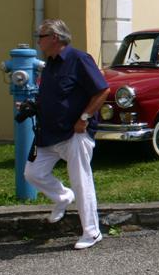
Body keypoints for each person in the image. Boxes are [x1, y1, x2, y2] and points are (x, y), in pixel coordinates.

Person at [24, 19, 110, 250]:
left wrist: (84, 119)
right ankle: (62, 197)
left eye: (40, 36)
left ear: (55, 38)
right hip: (48, 133)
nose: (38, 40)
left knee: (82, 182)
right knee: (32, 173)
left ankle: (92, 232)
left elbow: (102, 89)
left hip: (75, 133)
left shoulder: (79, 59)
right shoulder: (50, 63)